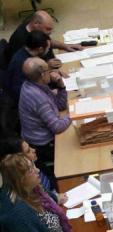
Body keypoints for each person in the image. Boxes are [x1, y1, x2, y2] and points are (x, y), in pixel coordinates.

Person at [0, 154, 67, 232]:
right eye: (31, 170)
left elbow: (47, 194)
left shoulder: (30, 189)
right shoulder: (18, 213)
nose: (38, 170)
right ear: (21, 179)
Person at [18, 57, 70, 189]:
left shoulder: (34, 84)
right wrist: (75, 114)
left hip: (43, 135)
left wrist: (61, 85)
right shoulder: (37, 96)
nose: (52, 72)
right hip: (42, 144)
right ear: (42, 75)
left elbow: (60, 105)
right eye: (48, 69)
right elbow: (57, 127)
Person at [3, 11, 83, 68]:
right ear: (36, 24)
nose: (50, 33)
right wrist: (46, 65)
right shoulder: (20, 39)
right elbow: (24, 67)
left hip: (50, 63)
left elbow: (48, 42)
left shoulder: (38, 31)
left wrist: (65, 46)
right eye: (48, 29)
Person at [0, 136, 63, 202]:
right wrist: (55, 198)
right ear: (18, 161)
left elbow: (50, 177)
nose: (34, 150)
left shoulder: (35, 161)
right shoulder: (27, 186)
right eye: (28, 151)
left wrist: (55, 196)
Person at [5, 30, 50, 104]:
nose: (49, 50)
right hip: (28, 102)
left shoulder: (26, 51)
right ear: (40, 49)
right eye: (48, 48)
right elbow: (21, 91)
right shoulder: (23, 63)